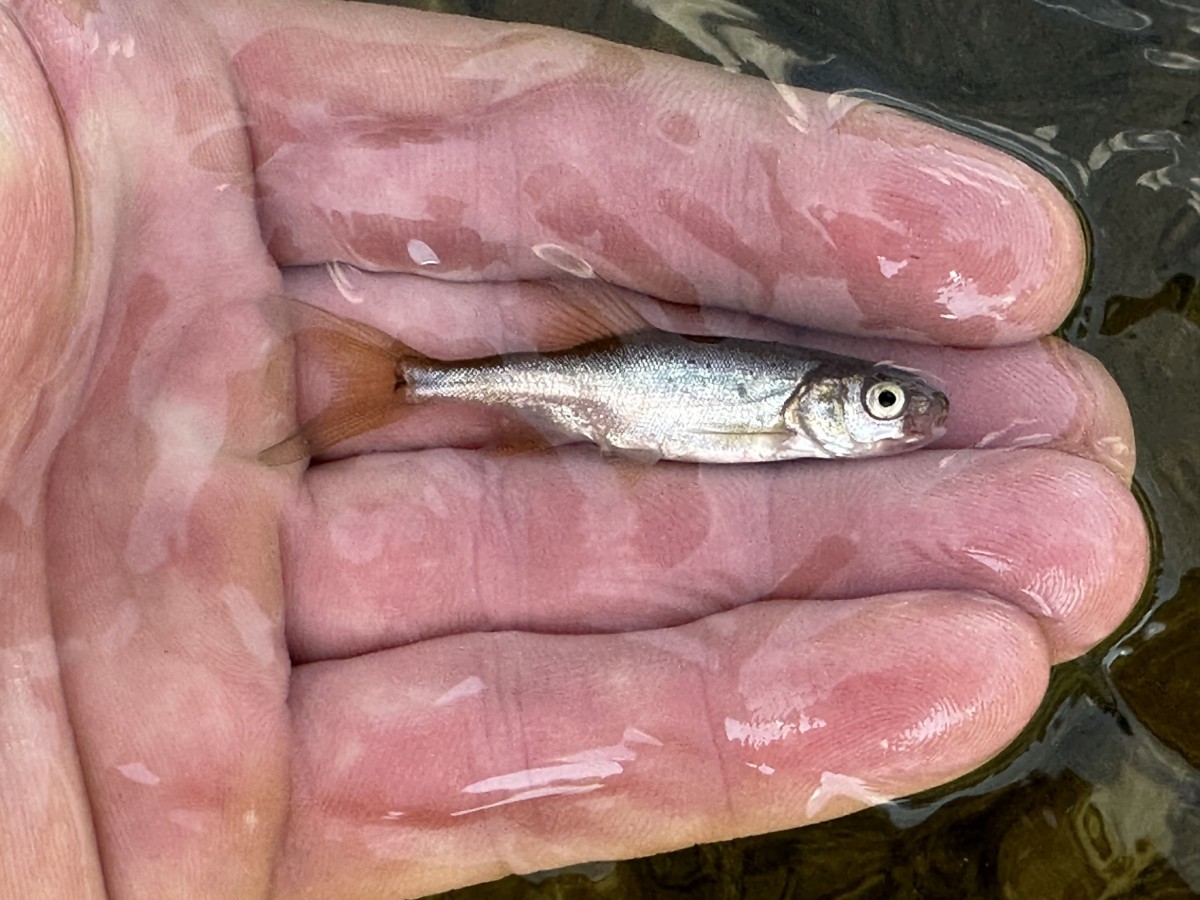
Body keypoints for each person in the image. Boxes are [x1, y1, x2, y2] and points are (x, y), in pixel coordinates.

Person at [0, 0, 1147, 896]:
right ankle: (408, 380)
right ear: (835, 395)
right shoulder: (783, 408)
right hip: (594, 392)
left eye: (885, 408)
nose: (896, 417)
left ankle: (415, 383)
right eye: (887, 406)